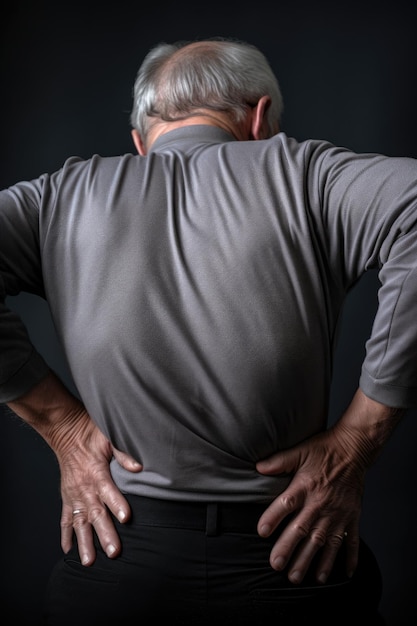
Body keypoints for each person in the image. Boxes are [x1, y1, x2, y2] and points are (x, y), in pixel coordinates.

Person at [1, 36, 416, 626]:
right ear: (260, 116)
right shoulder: (307, 175)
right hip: (296, 561)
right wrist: (355, 444)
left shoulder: (61, 198)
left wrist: (62, 427)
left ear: (141, 142)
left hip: (115, 560)